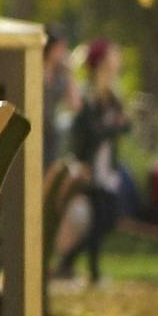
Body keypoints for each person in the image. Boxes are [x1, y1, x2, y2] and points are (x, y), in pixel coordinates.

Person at [52, 41, 133, 284]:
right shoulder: (88, 96)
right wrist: (113, 128)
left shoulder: (113, 96)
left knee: (106, 218)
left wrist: (118, 126)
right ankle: (87, 269)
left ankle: (68, 262)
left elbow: (125, 125)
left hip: (107, 168)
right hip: (90, 167)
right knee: (96, 217)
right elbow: (91, 133)